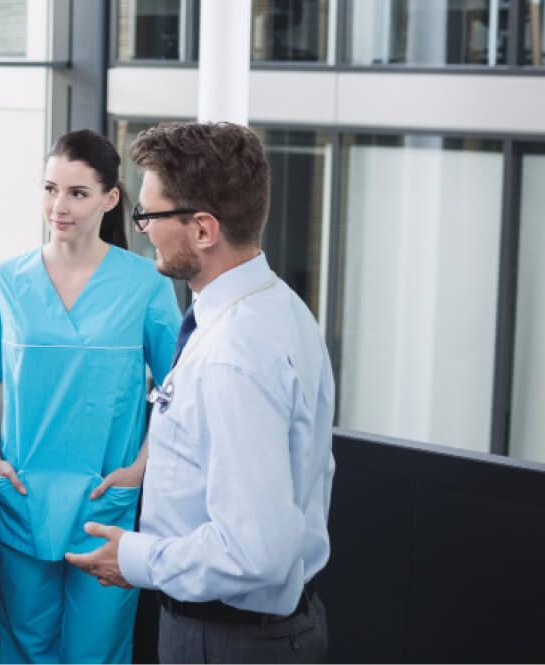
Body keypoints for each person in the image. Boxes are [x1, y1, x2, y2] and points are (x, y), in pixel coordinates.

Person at [65, 121, 335, 664]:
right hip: (264, 631)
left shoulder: (230, 356)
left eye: (149, 214)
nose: (140, 230)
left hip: (231, 641)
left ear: (204, 230)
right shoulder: (279, 306)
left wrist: (136, 559)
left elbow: (253, 552)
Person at [0, 129, 181, 663]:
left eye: (77, 193)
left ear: (109, 199)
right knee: (24, 645)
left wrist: (140, 469)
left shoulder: (145, 283)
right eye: (50, 188)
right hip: (23, 495)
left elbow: (180, 389)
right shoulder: (6, 280)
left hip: (106, 499)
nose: (59, 206)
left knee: (96, 651)